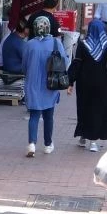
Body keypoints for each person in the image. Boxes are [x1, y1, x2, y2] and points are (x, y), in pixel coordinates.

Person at [66, 18, 107, 152]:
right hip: (101, 83)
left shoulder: (83, 44)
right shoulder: (106, 45)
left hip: (84, 83)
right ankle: (93, 142)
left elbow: (76, 63)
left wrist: (70, 82)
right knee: (98, 110)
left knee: (84, 108)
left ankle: (83, 136)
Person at [22, 16, 69, 157]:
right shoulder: (56, 43)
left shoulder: (29, 44)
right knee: (49, 116)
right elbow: (65, 62)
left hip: (33, 84)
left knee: (34, 116)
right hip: (50, 83)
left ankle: (31, 144)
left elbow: (24, 66)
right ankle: (48, 145)